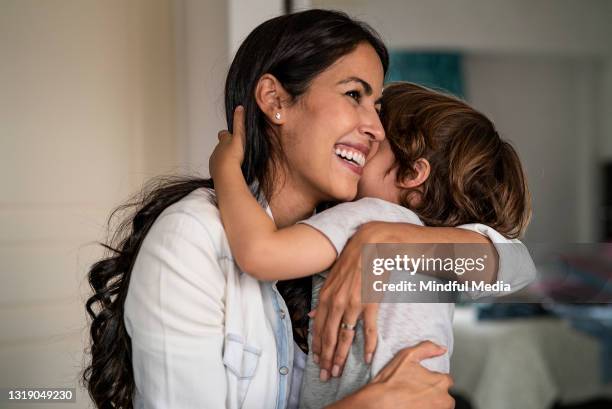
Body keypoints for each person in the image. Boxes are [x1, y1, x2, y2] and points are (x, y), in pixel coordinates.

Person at [83, 9, 524, 409]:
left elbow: (518, 266)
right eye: (355, 95)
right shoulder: (191, 236)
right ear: (275, 101)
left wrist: (393, 239)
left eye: (376, 107)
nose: (373, 128)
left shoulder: (359, 231)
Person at [209, 82, 535, 407]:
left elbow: (261, 254)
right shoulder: (433, 256)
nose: (366, 136)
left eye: (377, 138)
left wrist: (225, 169)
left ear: (412, 173)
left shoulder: (371, 216)